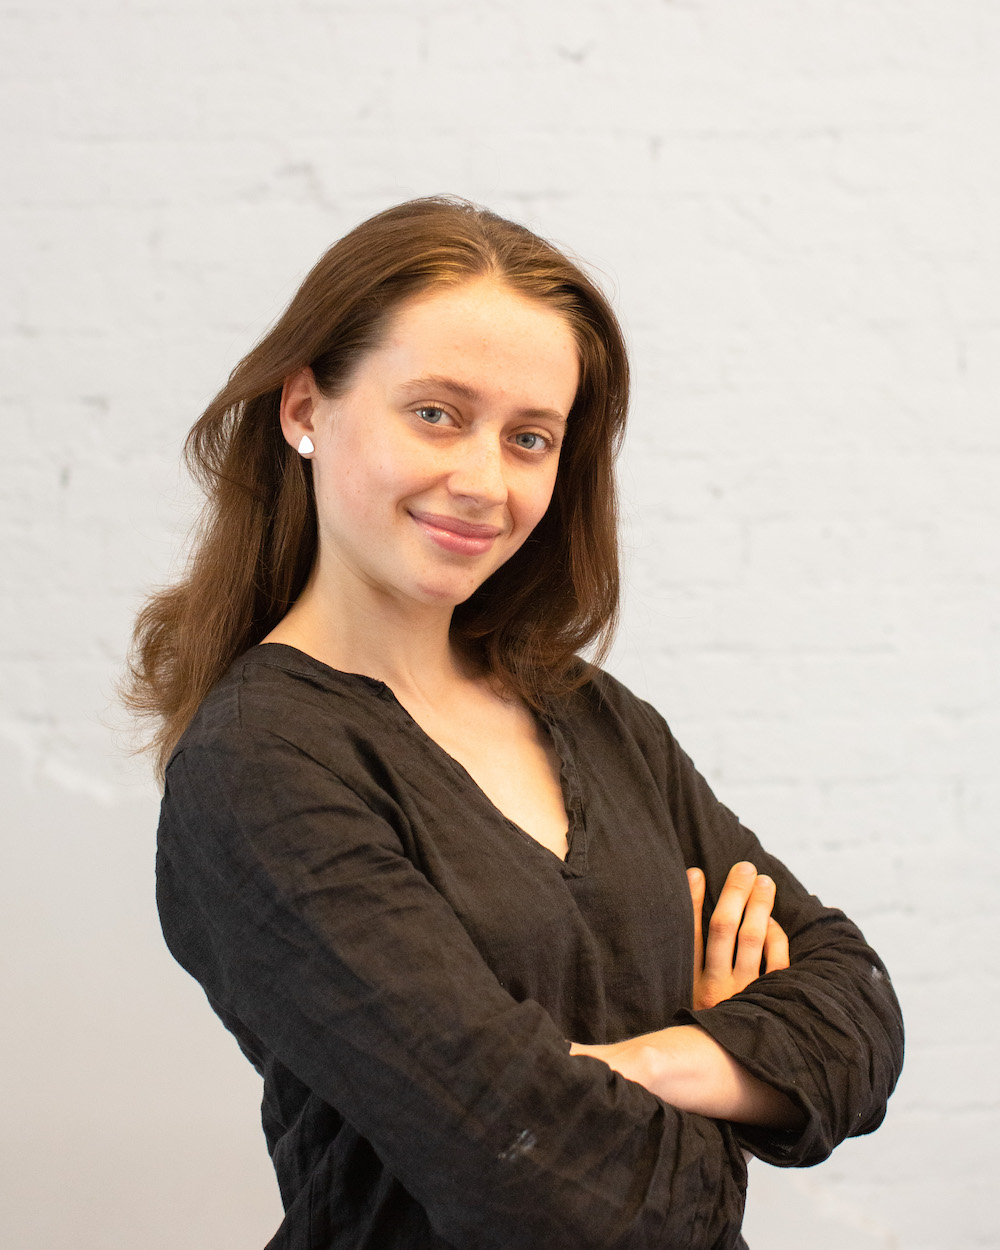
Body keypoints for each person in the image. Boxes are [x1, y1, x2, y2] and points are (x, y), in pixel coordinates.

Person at [126, 196, 903, 1250]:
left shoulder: (589, 714)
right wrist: (734, 1074)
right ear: (306, 407)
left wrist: (652, 1061)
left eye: (529, 437)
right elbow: (544, 1193)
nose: (484, 482)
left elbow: (856, 1009)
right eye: (436, 414)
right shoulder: (258, 764)